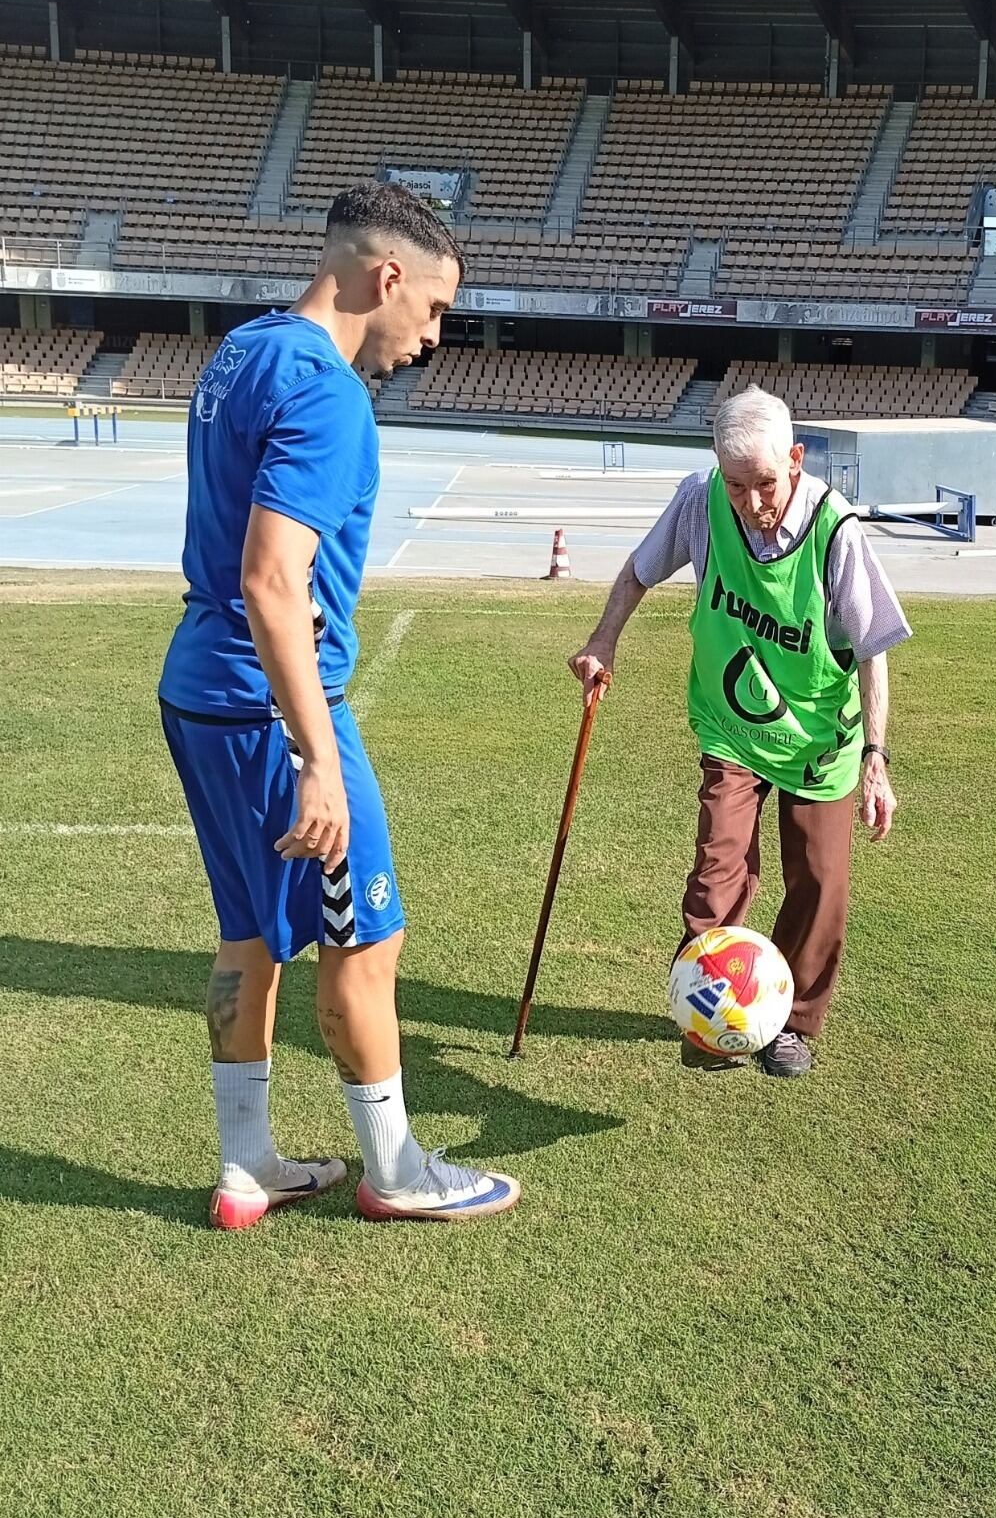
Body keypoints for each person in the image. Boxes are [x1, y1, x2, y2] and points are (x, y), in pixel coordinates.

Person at [159, 183, 520, 1226]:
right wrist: (317, 753)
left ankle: (247, 1164)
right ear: (386, 276)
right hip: (277, 704)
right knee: (364, 936)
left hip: (200, 690)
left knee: (248, 934)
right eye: (437, 310)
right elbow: (274, 578)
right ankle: (396, 1169)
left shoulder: (243, 350)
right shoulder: (329, 393)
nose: (434, 335)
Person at [570, 385, 910, 1079]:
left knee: (819, 881)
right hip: (731, 725)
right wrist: (604, 637)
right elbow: (638, 573)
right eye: (737, 485)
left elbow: (872, 650)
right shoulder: (699, 501)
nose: (752, 503)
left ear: (794, 458)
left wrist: (875, 759)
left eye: (764, 483)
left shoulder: (833, 529)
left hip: (819, 740)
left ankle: (790, 1025)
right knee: (716, 873)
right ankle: (710, 1013)